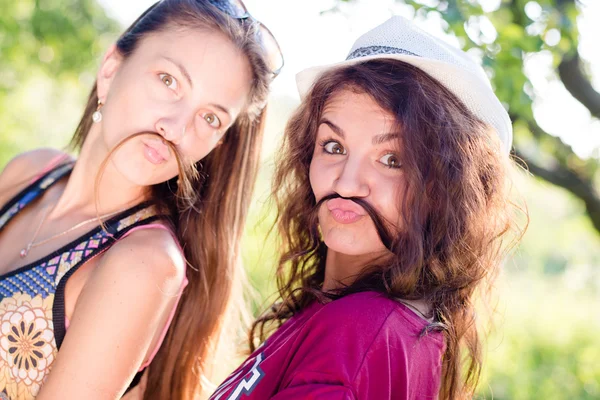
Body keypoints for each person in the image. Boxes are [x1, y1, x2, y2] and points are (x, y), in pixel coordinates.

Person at [209, 16, 524, 400]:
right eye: (334, 146)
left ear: (443, 192)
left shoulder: (360, 333)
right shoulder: (365, 323)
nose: (345, 183)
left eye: (392, 159)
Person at [0, 0, 282, 399]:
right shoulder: (32, 174)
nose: (176, 128)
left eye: (210, 118)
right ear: (111, 70)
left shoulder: (145, 260)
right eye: (168, 81)